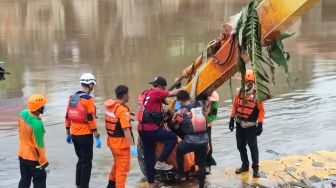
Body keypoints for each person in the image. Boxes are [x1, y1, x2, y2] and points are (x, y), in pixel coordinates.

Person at [137, 76, 182, 187]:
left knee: (149, 156)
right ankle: (161, 161)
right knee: (172, 138)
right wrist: (183, 89)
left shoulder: (145, 93)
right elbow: (173, 93)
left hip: (142, 130)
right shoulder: (158, 92)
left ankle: (151, 183)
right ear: (162, 87)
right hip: (151, 130)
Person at [65, 73, 102, 188]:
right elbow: (90, 117)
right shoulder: (88, 99)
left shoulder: (72, 97)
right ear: (90, 85)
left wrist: (68, 134)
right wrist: (97, 136)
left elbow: (67, 116)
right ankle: (84, 186)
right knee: (87, 162)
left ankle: (78, 185)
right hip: (85, 135)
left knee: (80, 160)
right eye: (93, 86)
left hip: (74, 134)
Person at [229, 69, 265, 178]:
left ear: (251, 82)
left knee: (253, 147)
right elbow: (235, 106)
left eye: (245, 81)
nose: (243, 83)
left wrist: (260, 124)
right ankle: (245, 165)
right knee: (240, 146)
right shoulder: (239, 91)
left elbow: (262, 111)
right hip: (239, 124)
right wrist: (231, 119)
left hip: (250, 126)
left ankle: (255, 168)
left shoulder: (257, 95)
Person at [173, 90, 210, 188]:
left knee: (179, 151)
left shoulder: (180, 111)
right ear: (189, 97)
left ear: (179, 101)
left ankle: (182, 175)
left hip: (190, 141)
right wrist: (205, 113)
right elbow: (208, 102)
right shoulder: (201, 104)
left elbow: (174, 124)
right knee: (202, 164)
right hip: (204, 140)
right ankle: (201, 186)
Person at [105, 85, 137, 188]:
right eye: (128, 94)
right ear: (124, 95)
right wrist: (132, 146)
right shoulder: (122, 110)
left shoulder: (110, 107)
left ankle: (111, 184)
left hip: (112, 143)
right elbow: (125, 129)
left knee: (117, 164)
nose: (129, 96)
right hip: (121, 146)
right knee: (122, 170)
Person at [18, 94, 48, 188]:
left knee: (24, 179)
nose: (45, 107)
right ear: (38, 108)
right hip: (34, 159)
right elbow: (39, 145)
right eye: (43, 105)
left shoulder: (23, 113)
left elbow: (19, 128)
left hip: (22, 155)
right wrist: (43, 161)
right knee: (40, 181)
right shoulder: (37, 125)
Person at [205, 91, 219, 173]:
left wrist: (204, 121)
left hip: (207, 126)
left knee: (208, 145)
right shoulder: (200, 101)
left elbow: (213, 116)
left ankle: (208, 165)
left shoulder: (215, 104)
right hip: (198, 125)